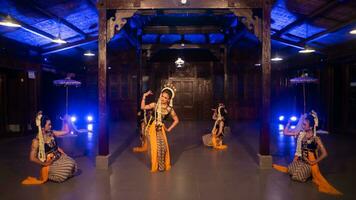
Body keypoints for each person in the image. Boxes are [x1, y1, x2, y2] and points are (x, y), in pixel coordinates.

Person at [273, 111, 342, 195]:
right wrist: (288, 123)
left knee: (298, 177)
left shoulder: (316, 138)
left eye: (304, 124)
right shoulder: (301, 134)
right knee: (290, 170)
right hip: (301, 160)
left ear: (311, 127)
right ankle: (305, 171)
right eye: (303, 124)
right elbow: (285, 133)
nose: (302, 126)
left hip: (310, 163)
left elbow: (325, 153)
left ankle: (309, 173)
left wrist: (313, 162)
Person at [22, 112, 78, 184]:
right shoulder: (36, 141)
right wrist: (45, 164)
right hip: (49, 163)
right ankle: (51, 174)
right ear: (42, 127)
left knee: (72, 164)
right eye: (49, 125)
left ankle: (60, 170)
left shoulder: (52, 133)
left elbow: (66, 132)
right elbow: (32, 158)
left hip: (58, 157)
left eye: (50, 124)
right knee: (63, 173)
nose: (50, 126)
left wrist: (65, 121)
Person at [141, 84, 179, 172]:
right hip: (151, 128)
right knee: (155, 148)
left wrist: (168, 129)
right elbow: (143, 107)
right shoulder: (155, 105)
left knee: (163, 147)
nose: (163, 98)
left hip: (161, 128)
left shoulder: (169, 109)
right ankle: (155, 165)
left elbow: (176, 120)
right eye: (162, 96)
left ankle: (161, 165)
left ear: (169, 99)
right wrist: (144, 96)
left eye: (165, 98)